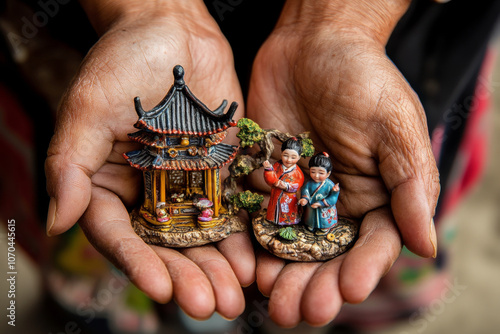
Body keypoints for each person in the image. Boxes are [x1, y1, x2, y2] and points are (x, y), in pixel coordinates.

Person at [40, 0, 500, 330]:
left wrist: (342, 19)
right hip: (83, 32)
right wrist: (144, 11)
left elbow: (310, 186)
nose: (314, 172)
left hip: (405, 43)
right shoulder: (282, 169)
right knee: (111, 238)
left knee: (373, 239)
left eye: (314, 168)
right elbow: (280, 176)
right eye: (310, 168)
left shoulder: (307, 175)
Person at [262, 137, 304, 226]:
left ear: (299, 157)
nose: (288, 160)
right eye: (285, 155)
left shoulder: (297, 172)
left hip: (289, 198)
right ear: (281, 153)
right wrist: (269, 170)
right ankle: (273, 220)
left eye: (293, 157)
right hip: (276, 194)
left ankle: (288, 223)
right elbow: (271, 180)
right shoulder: (277, 165)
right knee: (274, 210)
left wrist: (286, 186)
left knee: (287, 212)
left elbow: (298, 184)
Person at [299, 152, 340, 234]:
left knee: (324, 220)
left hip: (324, 208)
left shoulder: (329, 185)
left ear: (328, 173)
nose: (316, 176)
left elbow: (333, 198)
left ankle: (325, 228)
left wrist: (334, 193)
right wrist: (304, 198)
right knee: (310, 218)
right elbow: (305, 190)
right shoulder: (309, 183)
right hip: (311, 207)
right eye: (313, 172)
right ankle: (310, 225)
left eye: (321, 173)